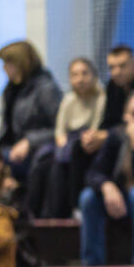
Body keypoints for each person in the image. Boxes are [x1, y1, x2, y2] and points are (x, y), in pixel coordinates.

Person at [77, 89, 134, 267]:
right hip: (117, 197)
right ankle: (92, 265)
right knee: (88, 197)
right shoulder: (116, 136)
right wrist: (106, 186)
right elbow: (93, 173)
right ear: (126, 115)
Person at [44, 56, 106, 218]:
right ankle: (51, 214)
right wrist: (62, 143)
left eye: (85, 73)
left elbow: (96, 126)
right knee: (49, 159)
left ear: (94, 75)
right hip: (67, 139)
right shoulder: (68, 99)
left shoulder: (101, 97)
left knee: (74, 154)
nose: (80, 79)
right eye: (75, 75)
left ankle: (75, 207)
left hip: (87, 138)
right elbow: (60, 129)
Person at [0, 40, 61, 186]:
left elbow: (60, 129)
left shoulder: (46, 88)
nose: (3, 68)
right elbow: (6, 129)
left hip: (36, 151)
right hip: (11, 147)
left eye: (7, 63)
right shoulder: (11, 89)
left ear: (20, 63)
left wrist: (29, 141)